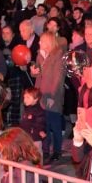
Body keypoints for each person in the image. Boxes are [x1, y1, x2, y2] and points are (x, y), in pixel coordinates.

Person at [31, 30, 65, 164]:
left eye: (42, 41)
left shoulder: (58, 56)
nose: (39, 43)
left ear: (49, 42)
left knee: (54, 125)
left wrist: (52, 96)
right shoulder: (40, 55)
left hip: (52, 95)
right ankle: (45, 151)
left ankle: (57, 151)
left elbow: (58, 78)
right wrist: (34, 72)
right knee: (43, 124)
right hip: (41, 94)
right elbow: (37, 73)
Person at [19, 86, 47, 158]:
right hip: (26, 138)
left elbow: (40, 124)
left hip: (34, 139)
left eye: (28, 98)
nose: (25, 100)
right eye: (24, 97)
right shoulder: (27, 109)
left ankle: (38, 165)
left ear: (36, 99)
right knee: (27, 156)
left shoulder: (39, 111)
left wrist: (40, 131)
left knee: (36, 156)